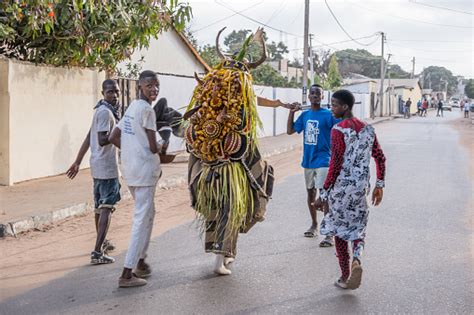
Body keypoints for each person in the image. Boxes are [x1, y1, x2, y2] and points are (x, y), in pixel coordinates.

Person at [185, 27, 274, 276]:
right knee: (231, 210)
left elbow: (193, 143)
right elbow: (244, 144)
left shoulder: (209, 100)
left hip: (205, 167)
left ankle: (227, 255)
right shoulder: (240, 103)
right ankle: (219, 261)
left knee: (220, 211)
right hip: (229, 168)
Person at [314, 89, 386, 290]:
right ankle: (357, 259)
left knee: (339, 233)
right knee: (357, 230)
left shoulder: (338, 130)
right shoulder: (369, 129)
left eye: (335, 104)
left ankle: (346, 276)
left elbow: (335, 164)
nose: (331, 108)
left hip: (340, 193)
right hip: (360, 190)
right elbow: (380, 157)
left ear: (345, 107)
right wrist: (379, 185)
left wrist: (323, 194)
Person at [109, 70, 163, 288]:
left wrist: (132, 152)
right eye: (149, 85)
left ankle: (141, 261)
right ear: (140, 86)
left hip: (131, 171)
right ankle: (126, 273)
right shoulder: (147, 110)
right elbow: (152, 146)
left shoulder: (132, 107)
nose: (154, 89)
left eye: (157, 85)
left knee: (149, 214)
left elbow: (114, 136)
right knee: (141, 220)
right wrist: (163, 147)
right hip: (144, 173)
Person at [66, 79, 121, 265]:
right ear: (103, 93)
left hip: (97, 166)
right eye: (110, 92)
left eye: (117, 91)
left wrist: (77, 162)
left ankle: (102, 241)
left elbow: (89, 137)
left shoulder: (100, 110)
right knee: (107, 208)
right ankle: (97, 251)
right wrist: (122, 137)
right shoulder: (106, 113)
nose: (115, 95)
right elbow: (103, 139)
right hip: (107, 167)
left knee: (99, 207)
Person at [287, 84, 339, 247]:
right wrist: (291, 112)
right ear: (308, 97)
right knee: (311, 194)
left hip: (324, 159)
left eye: (318, 93)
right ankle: (314, 224)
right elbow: (290, 131)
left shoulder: (328, 115)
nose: (315, 96)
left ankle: (329, 233)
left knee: (324, 196)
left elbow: (340, 132)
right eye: (312, 93)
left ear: (323, 97)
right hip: (308, 161)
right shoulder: (305, 115)